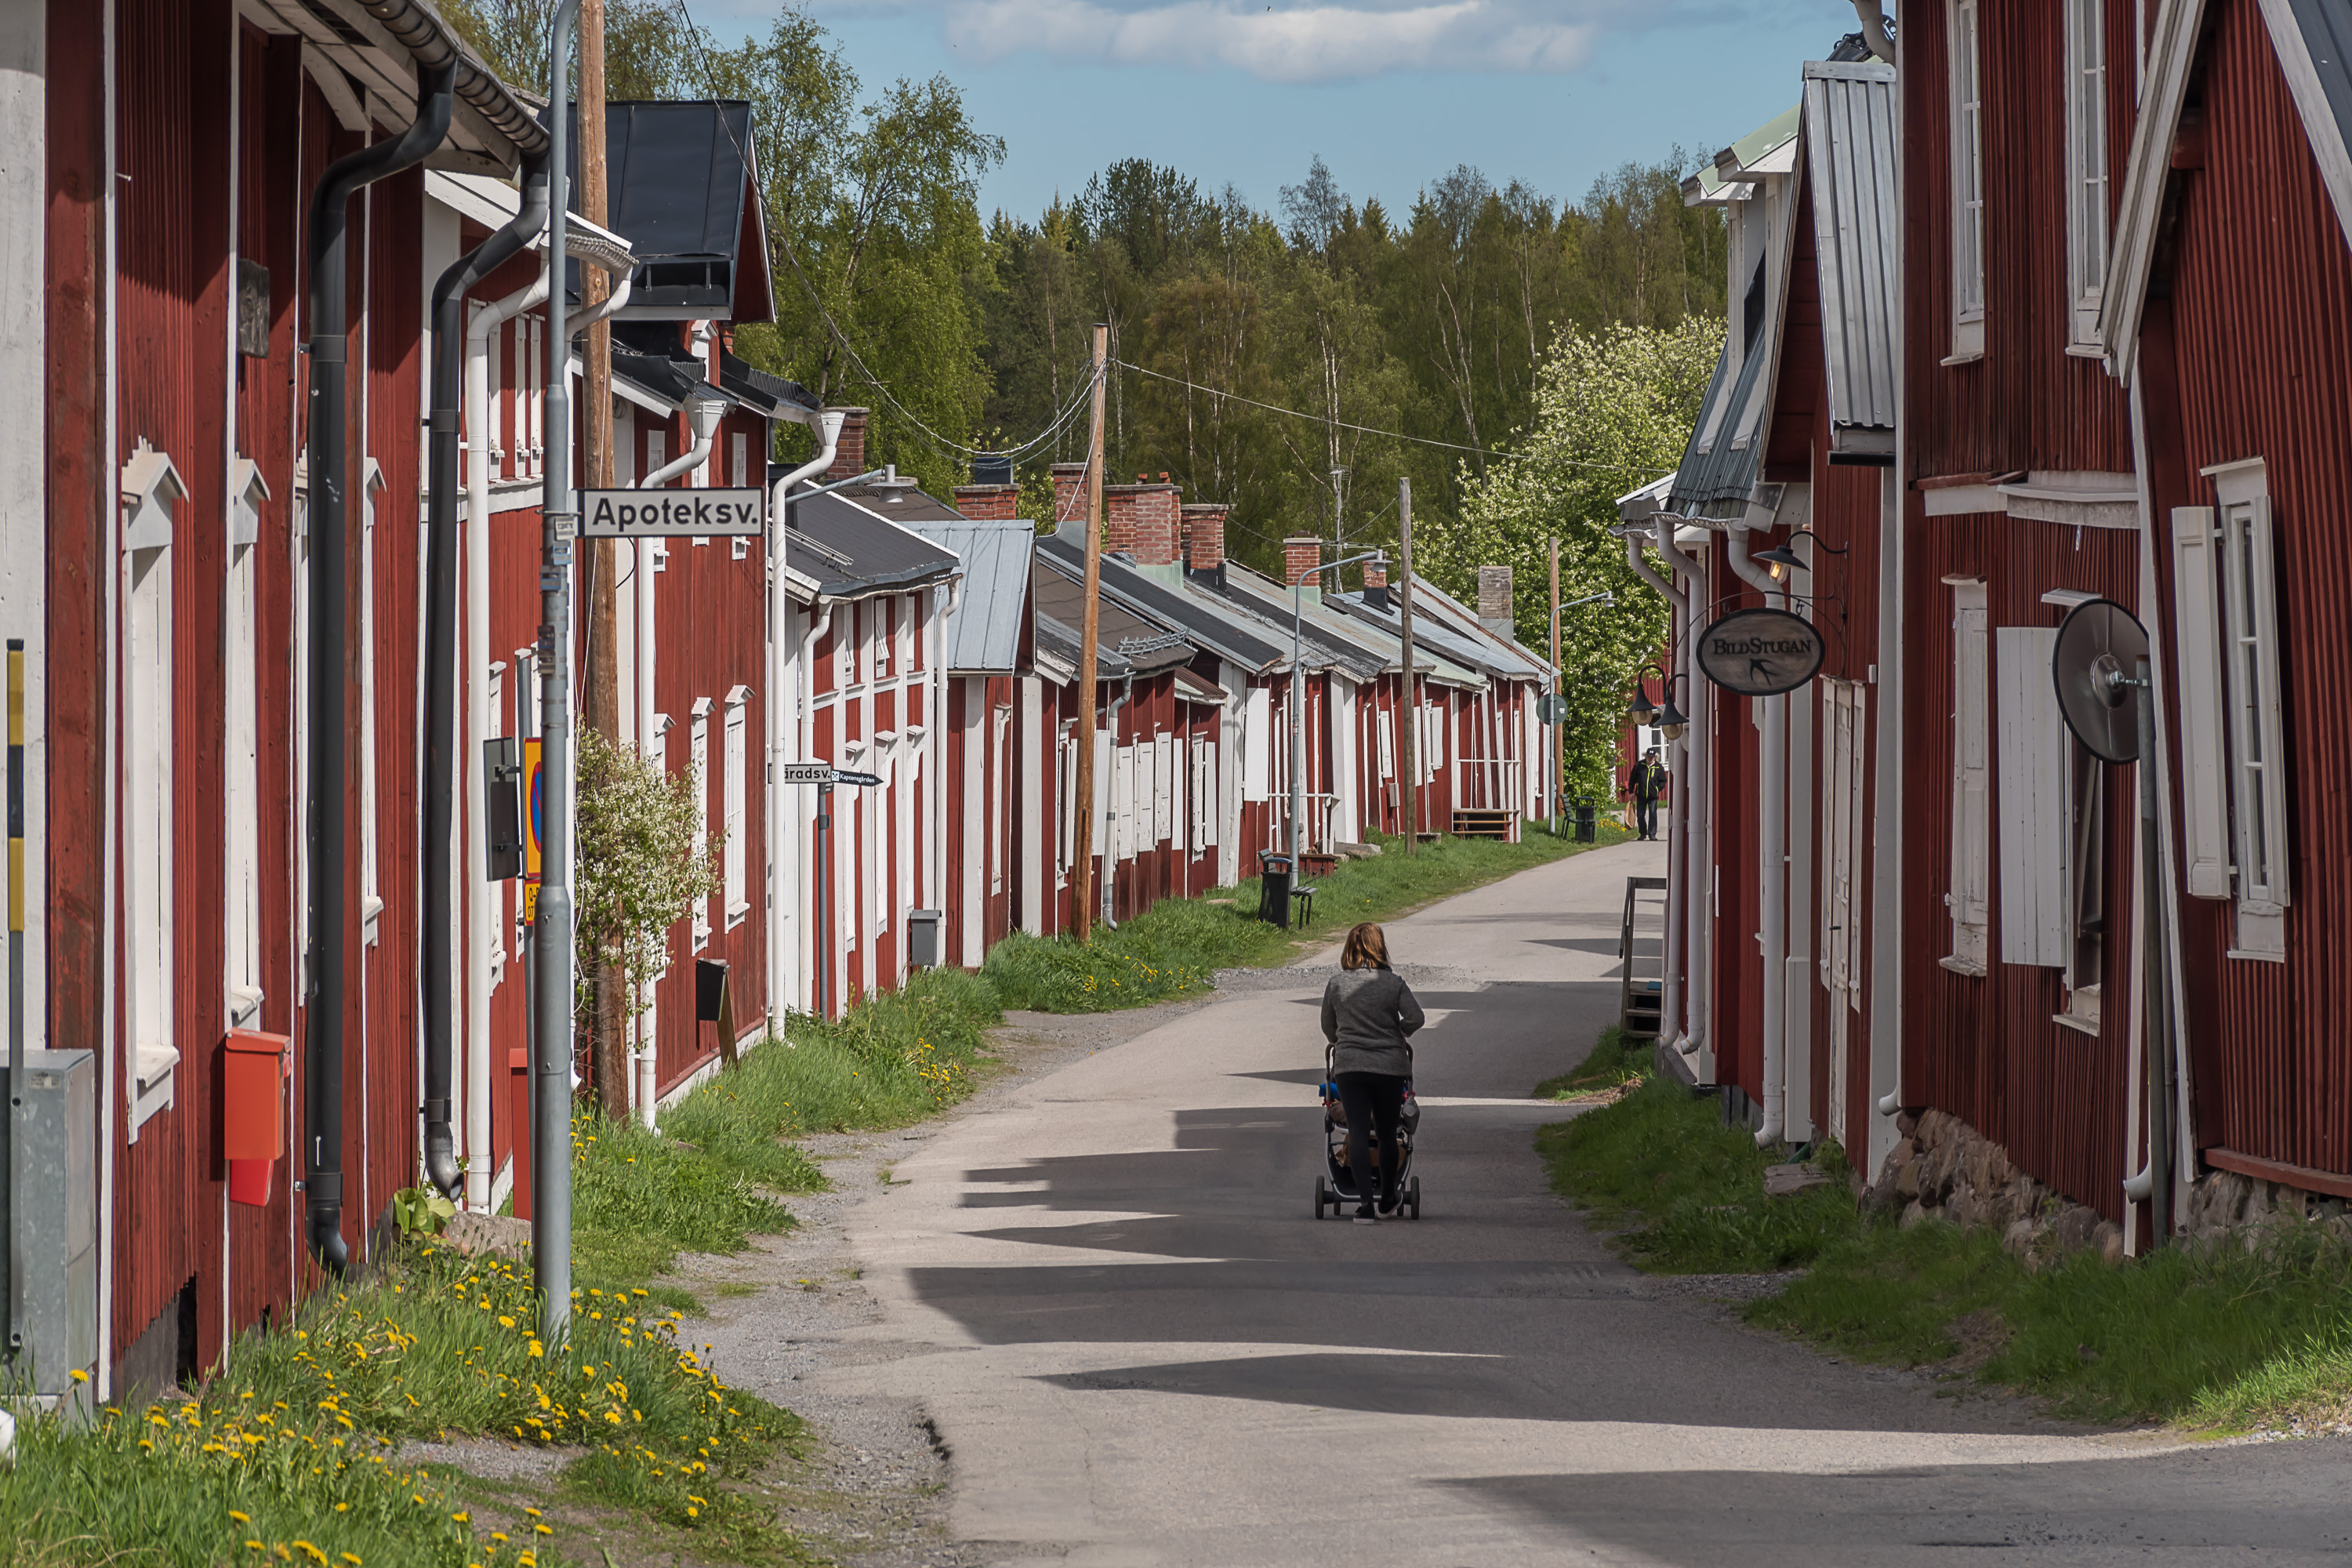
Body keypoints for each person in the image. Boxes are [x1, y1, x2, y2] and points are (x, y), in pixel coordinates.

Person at [1320, 922, 1426, 1222]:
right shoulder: (1393, 983)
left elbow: (1329, 1028)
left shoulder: (1336, 984)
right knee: (1387, 1132)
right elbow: (1416, 1017)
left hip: (1350, 1067)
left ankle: (1365, 1206)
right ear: (1380, 948)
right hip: (1389, 1066)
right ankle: (1388, 1198)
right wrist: (1397, 1031)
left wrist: (1345, 1039)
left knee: (1356, 1130)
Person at [1630, 747, 1669, 841]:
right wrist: (1631, 791)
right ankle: (1643, 833)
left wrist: (1657, 789)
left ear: (1655, 757)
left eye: (1652, 757)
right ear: (1646, 756)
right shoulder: (1639, 765)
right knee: (1640, 815)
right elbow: (1632, 779)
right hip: (1641, 794)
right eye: (1648, 757)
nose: (1650, 759)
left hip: (1653, 796)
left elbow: (1663, 781)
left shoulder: (1659, 767)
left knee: (1653, 814)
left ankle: (1652, 834)